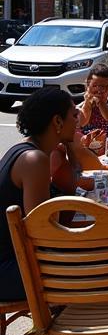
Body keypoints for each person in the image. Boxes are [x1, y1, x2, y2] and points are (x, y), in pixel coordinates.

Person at [0, 88, 82, 299]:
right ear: (57, 121)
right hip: (10, 269)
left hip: (16, 262)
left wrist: (71, 152)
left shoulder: (27, 149)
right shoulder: (34, 160)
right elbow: (44, 233)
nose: (79, 119)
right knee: (105, 268)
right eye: (74, 114)